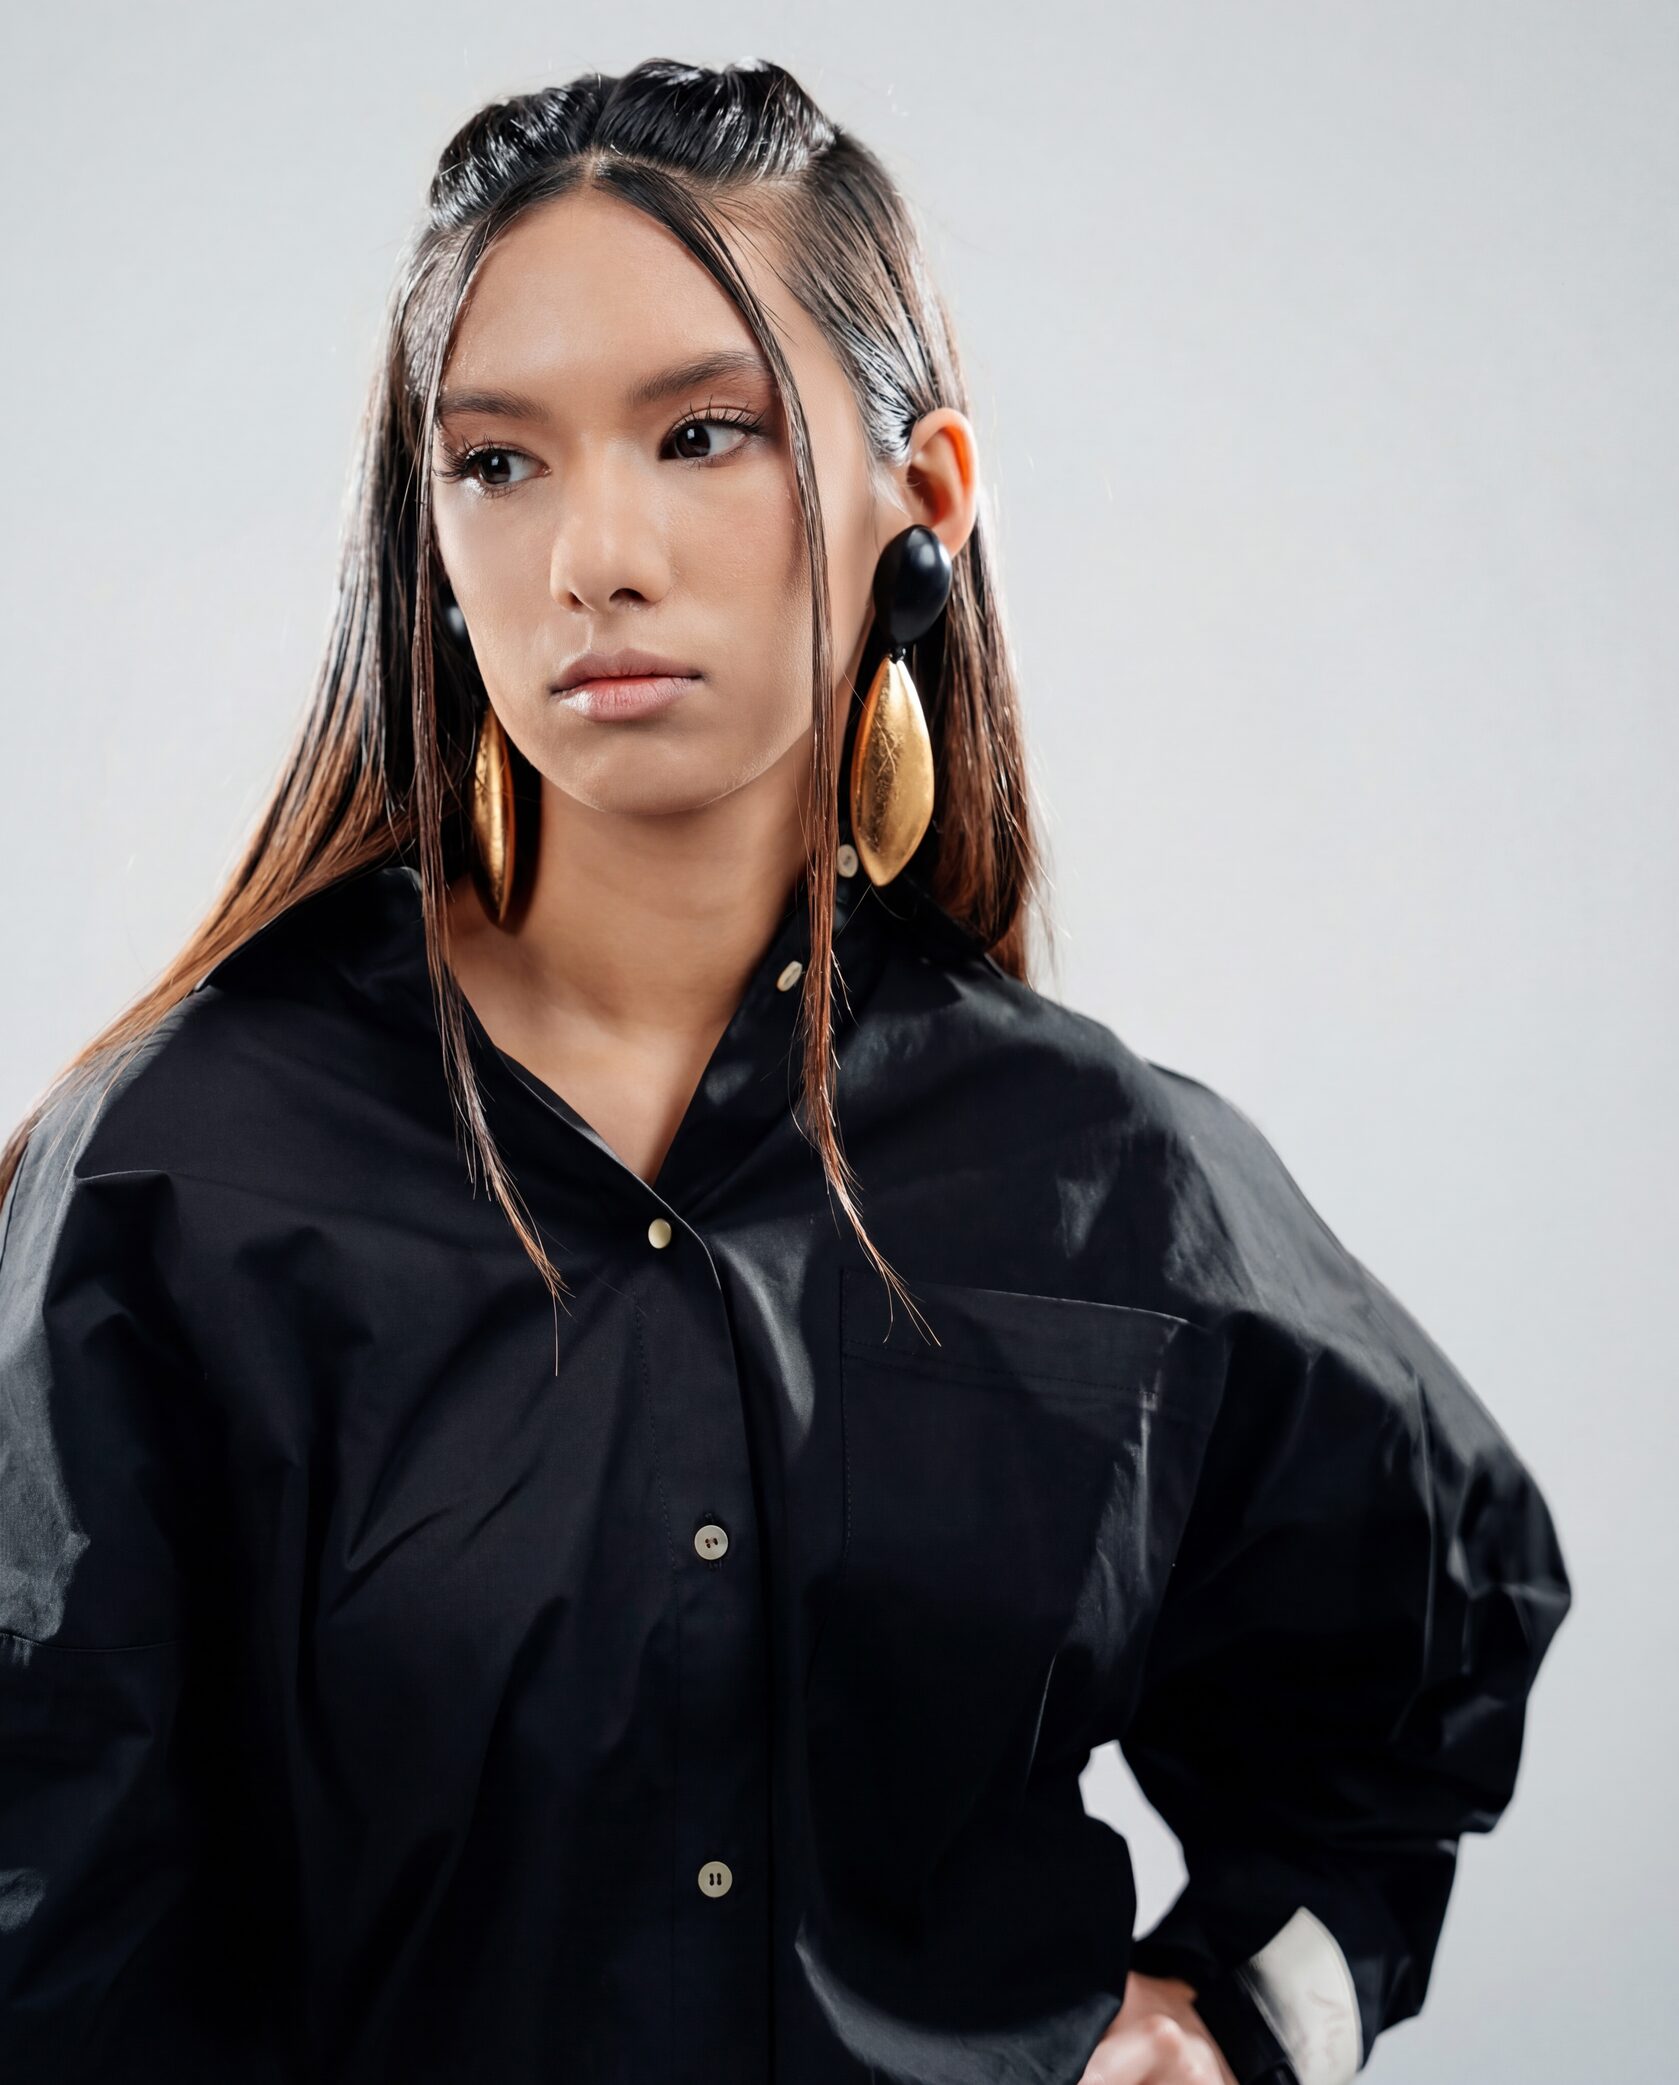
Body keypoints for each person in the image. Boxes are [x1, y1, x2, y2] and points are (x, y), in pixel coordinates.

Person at [0, 56, 1571, 2085]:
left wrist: (1248, 2015)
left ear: (927, 491)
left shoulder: (1100, 1170)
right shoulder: (180, 1175)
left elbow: (1409, 1672)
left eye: (702, 433)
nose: (594, 553)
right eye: (499, 462)